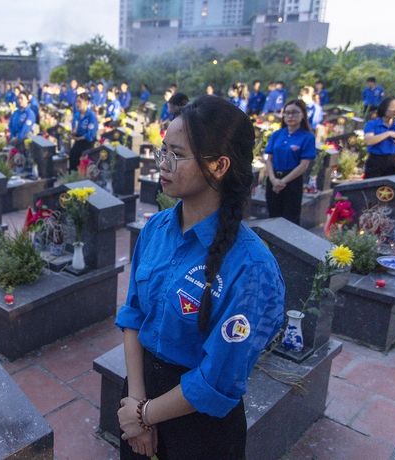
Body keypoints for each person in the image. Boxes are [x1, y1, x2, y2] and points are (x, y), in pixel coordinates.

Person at [116, 95, 284, 460]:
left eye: (176, 154)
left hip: (198, 424)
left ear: (219, 165)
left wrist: (146, 416)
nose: (163, 163)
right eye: (163, 151)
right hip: (139, 393)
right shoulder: (157, 228)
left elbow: (218, 377)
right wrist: (135, 401)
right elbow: (133, 315)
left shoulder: (251, 267)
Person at [264, 99, 315, 225]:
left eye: (294, 113)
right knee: (272, 218)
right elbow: (269, 158)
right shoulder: (277, 134)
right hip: (274, 179)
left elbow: (304, 165)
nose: (290, 116)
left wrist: (283, 182)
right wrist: (273, 179)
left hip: (292, 181)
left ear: (303, 115)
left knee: (290, 219)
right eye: (287, 113)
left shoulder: (307, 137)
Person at [363, 97, 395, 178]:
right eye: (393, 107)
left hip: (393, 161)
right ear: (384, 108)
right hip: (375, 160)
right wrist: (388, 133)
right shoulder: (372, 124)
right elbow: (368, 141)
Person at [69, 93, 98, 172]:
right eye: (76, 102)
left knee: (84, 161)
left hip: (87, 142)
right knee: (72, 156)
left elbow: (90, 134)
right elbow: (74, 128)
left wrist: (78, 138)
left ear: (86, 102)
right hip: (78, 140)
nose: (77, 104)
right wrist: (73, 132)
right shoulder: (77, 115)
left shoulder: (91, 116)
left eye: (80, 102)